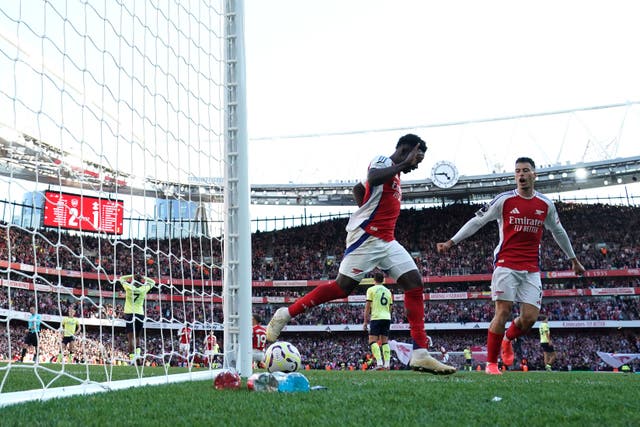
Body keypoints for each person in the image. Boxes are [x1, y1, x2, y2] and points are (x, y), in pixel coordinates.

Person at [266, 134, 455, 375]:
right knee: (341, 288)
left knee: (414, 283)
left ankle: (420, 353)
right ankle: (285, 314)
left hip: (386, 241)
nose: (417, 164)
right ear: (407, 149)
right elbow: (372, 177)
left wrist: (365, 204)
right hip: (367, 236)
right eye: (417, 158)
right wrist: (402, 165)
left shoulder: (395, 175)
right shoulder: (383, 162)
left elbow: (359, 188)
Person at [437, 157, 585, 375]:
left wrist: (573, 259)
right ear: (515, 175)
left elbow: (558, 232)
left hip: (532, 267)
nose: (521, 175)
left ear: (534, 175)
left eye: (526, 171)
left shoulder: (545, 204)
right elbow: (477, 221)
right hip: (506, 263)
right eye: (517, 171)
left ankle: (507, 338)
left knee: (529, 319)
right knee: (503, 311)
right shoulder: (504, 200)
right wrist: (451, 241)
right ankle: (491, 364)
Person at [118, 273, 156, 363]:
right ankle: (138, 355)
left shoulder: (128, 287)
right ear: (141, 282)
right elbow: (153, 282)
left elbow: (121, 278)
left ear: (133, 281)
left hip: (129, 313)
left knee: (130, 337)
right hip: (139, 313)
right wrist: (143, 277)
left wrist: (131, 275)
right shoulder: (143, 288)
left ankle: (132, 358)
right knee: (138, 336)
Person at [363, 271, 393, 370]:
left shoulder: (371, 290)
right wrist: (388, 316)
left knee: (372, 340)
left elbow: (367, 307)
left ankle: (379, 363)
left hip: (376, 317)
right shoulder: (388, 291)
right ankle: (387, 364)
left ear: (374, 280)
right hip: (387, 317)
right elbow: (391, 307)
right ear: (383, 280)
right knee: (385, 341)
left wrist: (365, 321)